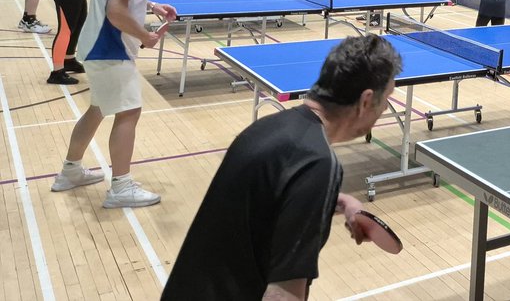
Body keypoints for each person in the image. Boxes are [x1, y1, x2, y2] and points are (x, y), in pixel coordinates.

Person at [161, 34, 401, 300]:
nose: (385, 108)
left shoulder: (271, 128)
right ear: (366, 100)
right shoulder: (318, 162)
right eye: (387, 98)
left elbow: (271, 198)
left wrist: (342, 202)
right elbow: (282, 294)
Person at [50, 0, 176, 208]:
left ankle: (70, 172)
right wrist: (145, 36)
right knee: (129, 112)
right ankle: (121, 187)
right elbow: (116, 11)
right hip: (109, 49)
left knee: (97, 109)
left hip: (100, 47)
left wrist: (151, 5)